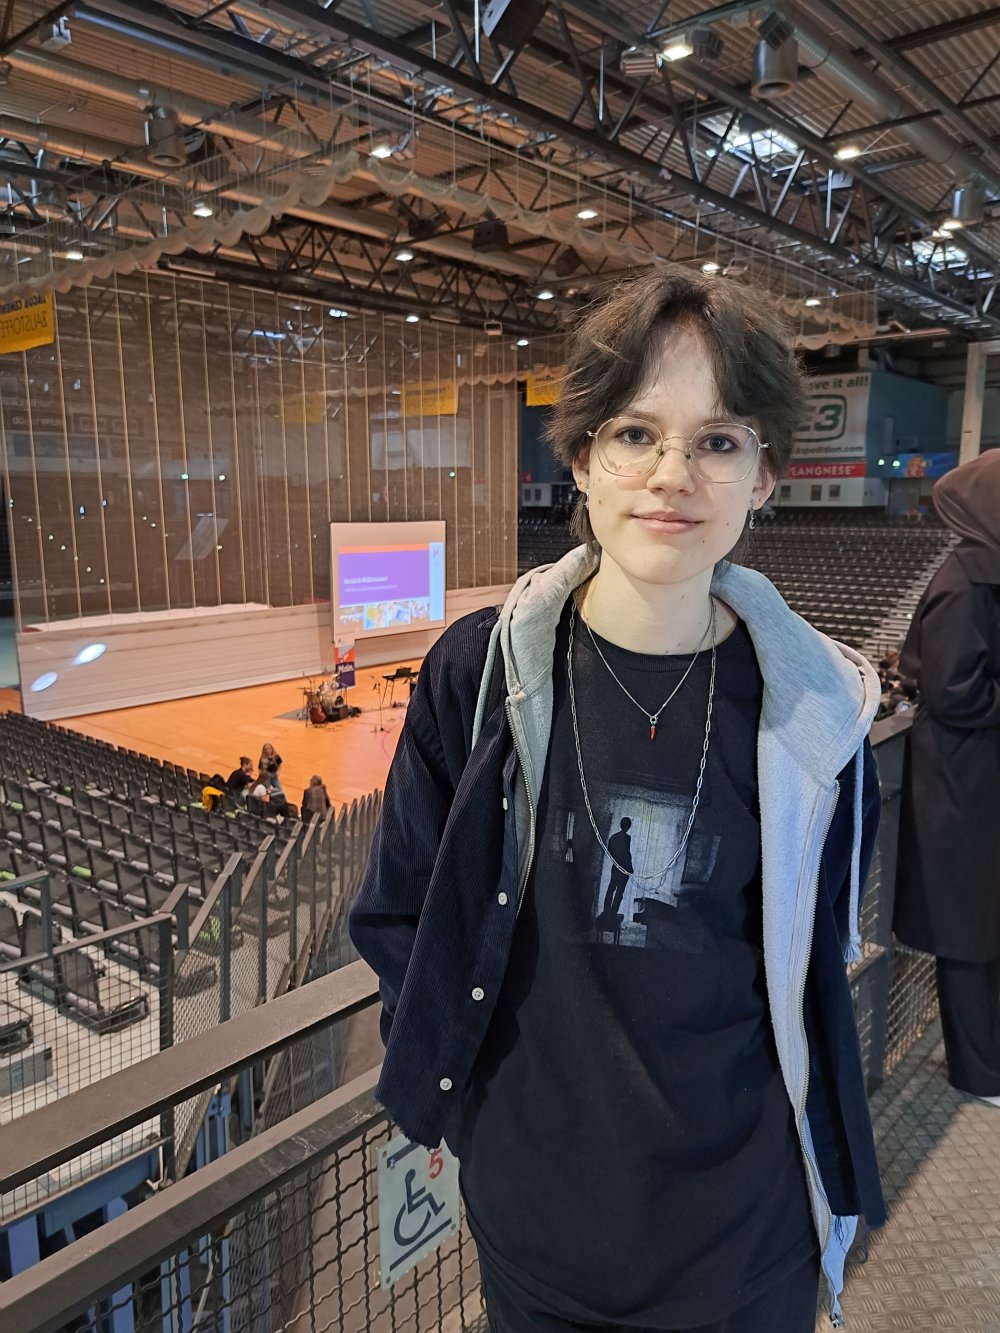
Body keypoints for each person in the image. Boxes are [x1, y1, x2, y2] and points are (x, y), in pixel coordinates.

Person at [349, 266, 884, 1333]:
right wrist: (474, 1099)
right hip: (538, 1230)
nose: (672, 474)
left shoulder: (819, 710)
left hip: (744, 1234)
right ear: (584, 456)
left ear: (764, 477)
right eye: (636, 433)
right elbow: (400, 911)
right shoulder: (477, 675)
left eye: (718, 441)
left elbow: (816, 940)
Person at [893, 451, 1000, 1107]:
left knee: (984, 916)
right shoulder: (966, 580)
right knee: (967, 924)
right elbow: (955, 692)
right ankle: (979, 1071)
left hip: (977, 773)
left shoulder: (984, 572)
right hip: (958, 779)